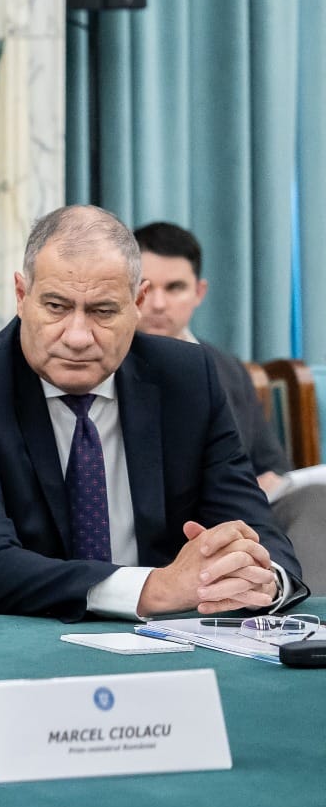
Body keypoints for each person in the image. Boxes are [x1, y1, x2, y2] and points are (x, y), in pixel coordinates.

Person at [0, 206, 306, 620]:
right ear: (22, 296)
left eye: (103, 311)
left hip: (150, 643)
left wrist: (262, 578)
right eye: (56, 307)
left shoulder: (188, 378)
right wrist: (153, 588)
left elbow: (251, 525)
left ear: (137, 303)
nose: (78, 337)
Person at [135, 220, 326, 582]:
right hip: (158, 528)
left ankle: (300, 609)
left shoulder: (228, 368)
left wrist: (271, 481)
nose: (158, 304)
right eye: (146, 287)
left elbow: (271, 464)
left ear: (199, 292)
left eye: (174, 288)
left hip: (237, 519)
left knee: (315, 499)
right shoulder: (105, 364)